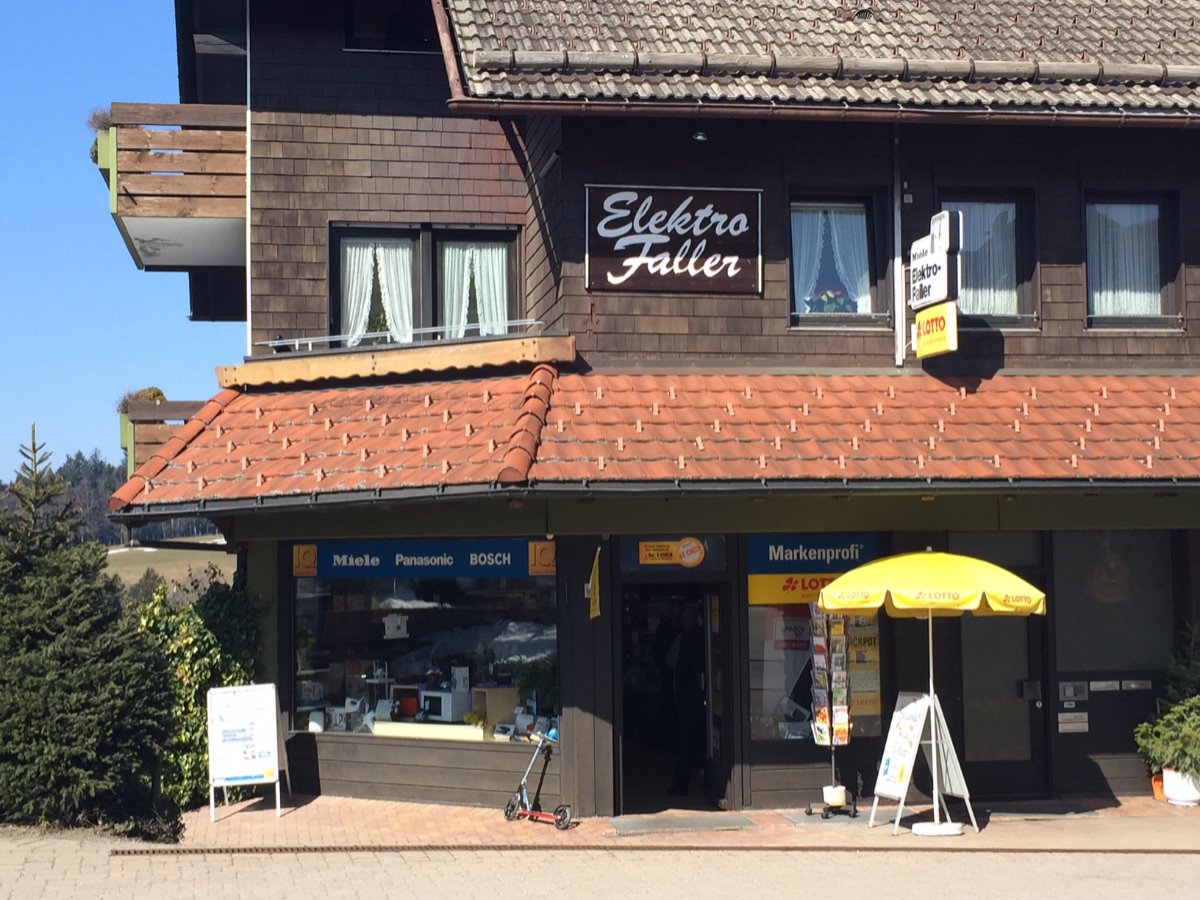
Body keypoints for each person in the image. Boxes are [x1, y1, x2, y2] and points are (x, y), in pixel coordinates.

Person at [666, 602, 706, 796]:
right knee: (702, 737)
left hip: (686, 696)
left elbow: (671, 662)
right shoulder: (707, 637)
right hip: (701, 695)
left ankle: (682, 784)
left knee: (685, 739)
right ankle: (706, 778)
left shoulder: (686, 639)